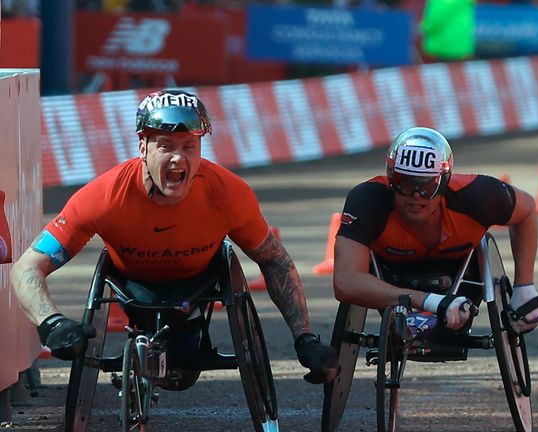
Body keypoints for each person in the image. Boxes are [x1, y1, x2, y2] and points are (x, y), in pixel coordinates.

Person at [10, 89, 339, 386]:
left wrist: (305, 339)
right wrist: (51, 323)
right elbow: (27, 267)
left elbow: (274, 260)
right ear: (142, 147)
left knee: (180, 367)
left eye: (188, 146)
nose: (178, 158)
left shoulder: (229, 193)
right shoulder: (103, 197)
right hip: (131, 287)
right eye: (165, 146)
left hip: (197, 289)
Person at [333, 126, 538, 334]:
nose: (416, 195)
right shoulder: (367, 200)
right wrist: (429, 301)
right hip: (390, 277)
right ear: (391, 179)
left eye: (427, 186)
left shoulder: (477, 196)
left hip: (461, 277)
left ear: (444, 183)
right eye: (406, 183)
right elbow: (345, 281)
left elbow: (526, 209)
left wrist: (524, 287)